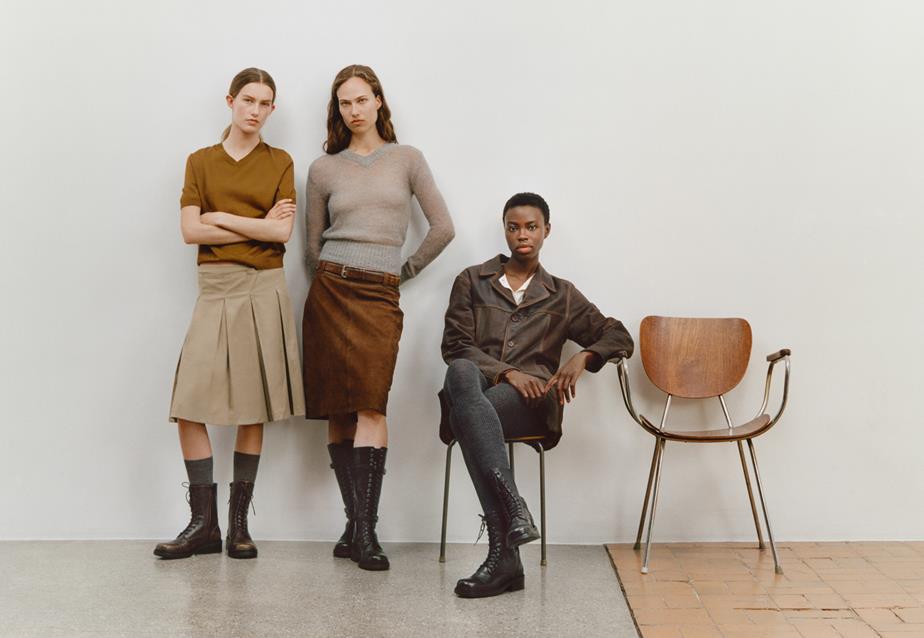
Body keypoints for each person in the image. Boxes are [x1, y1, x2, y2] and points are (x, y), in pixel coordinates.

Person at [440, 192, 634, 597]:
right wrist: (507, 372)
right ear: (505, 230)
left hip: (532, 404)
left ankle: (504, 554)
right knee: (461, 373)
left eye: (531, 227)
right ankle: (512, 522)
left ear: (547, 230)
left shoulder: (562, 295)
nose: (522, 235)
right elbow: (456, 346)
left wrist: (583, 356)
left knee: (467, 413)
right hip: (483, 389)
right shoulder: (472, 281)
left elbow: (618, 335)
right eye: (514, 227)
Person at [303, 64, 454, 571]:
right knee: (339, 410)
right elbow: (310, 247)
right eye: (345, 103)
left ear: (378, 101)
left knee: (371, 405)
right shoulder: (323, 169)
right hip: (329, 291)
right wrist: (331, 277)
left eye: (361, 100)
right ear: (338, 110)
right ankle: (357, 528)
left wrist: (400, 271)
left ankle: (364, 532)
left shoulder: (407, 159)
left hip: (378, 296)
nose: (354, 110)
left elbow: (443, 228)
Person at [155, 67, 305, 560]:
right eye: (247, 100)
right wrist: (250, 224)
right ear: (230, 101)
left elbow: (281, 235)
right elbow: (189, 232)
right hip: (215, 287)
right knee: (189, 405)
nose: (255, 110)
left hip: (263, 288)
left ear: (272, 109)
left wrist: (217, 216)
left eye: (264, 103)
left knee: (251, 406)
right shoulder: (200, 161)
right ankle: (204, 524)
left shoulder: (280, 161)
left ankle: (238, 527)